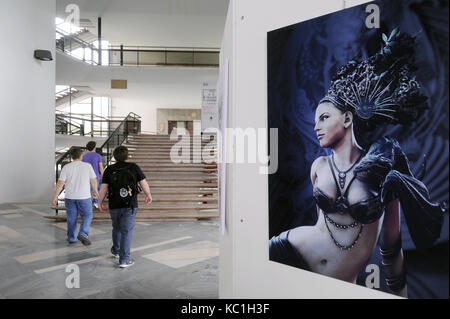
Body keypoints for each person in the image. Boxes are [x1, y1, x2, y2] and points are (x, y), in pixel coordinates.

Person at [269, 29, 447, 297]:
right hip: (288, 251)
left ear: (348, 119)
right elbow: (325, 227)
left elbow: (391, 245)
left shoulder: (383, 165)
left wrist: (400, 293)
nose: (316, 126)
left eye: (325, 117)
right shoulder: (318, 166)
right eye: (315, 119)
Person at [98, 146, 153, 268]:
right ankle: (124, 260)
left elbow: (103, 188)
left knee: (116, 228)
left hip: (114, 204)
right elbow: (143, 183)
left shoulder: (109, 169)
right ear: (126, 156)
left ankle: (116, 251)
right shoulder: (133, 167)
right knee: (126, 231)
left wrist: (100, 202)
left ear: (115, 156)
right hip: (130, 204)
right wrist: (148, 194)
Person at [52, 147, 99, 246]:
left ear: (71, 156)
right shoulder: (87, 166)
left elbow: (60, 183)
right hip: (84, 197)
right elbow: (94, 181)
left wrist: (55, 197)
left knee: (71, 218)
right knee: (87, 215)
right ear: (81, 155)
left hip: (70, 197)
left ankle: (72, 238)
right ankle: (83, 234)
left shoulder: (66, 167)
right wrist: (97, 194)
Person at [82, 141, 104, 208]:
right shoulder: (98, 156)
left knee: (87, 191)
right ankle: (96, 202)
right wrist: (103, 176)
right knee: (97, 190)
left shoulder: (84, 156)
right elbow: (101, 168)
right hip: (95, 177)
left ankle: (88, 204)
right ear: (95, 147)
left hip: (86, 177)